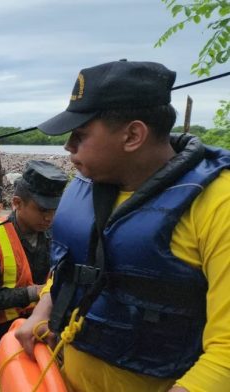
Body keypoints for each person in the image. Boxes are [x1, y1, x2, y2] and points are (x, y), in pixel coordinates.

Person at [15, 60, 230, 392]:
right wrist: (42, 309)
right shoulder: (85, 183)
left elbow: (226, 354)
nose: (68, 146)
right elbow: (71, 265)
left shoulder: (219, 204)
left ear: (133, 135)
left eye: (80, 134)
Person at [0, 160, 67, 371]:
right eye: (42, 210)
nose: (49, 217)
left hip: (43, 333)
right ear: (17, 203)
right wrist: (33, 293)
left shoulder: (57, 232)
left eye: (54, 210)